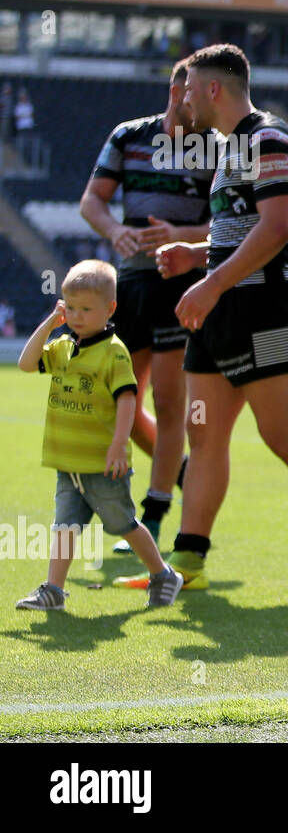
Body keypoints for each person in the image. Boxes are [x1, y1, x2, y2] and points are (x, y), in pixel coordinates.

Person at [112, 43, 288, 593]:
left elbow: (278, 227)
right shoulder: (229, 146)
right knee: (204, 435)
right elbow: (242, 227)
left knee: (284, 437)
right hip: (220, 307)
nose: (183, 100)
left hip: (260, 307)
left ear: (214, 89)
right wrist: (199, 254)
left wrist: (209, 280)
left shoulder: (267, 138)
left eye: (189, 89)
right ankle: (188, 559)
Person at [80, 57, 215, 550]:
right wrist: (115, 230)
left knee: (169, 401)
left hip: (184, 282)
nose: (199, 102)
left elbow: (232, 223)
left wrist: (182, 235)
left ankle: (152, 514)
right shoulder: (128, 136)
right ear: (177, 88)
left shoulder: (218, 149)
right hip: (133, 283)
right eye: (196, 90)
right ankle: (179, 470)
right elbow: (92, 200)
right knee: (120, 399)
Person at [16, 261, 182, 610]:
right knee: (64, 528)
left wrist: (119, 444)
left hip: (104, 465)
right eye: (70, 307)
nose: (76, 316)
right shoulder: (63, 346)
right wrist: (50, 323)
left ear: (110, 309)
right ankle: (54, 591)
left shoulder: (114, 352)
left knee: (123, 523)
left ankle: (163, 574)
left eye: (86, 309)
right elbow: (26, 364)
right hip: (69, 465)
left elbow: (127, 401)